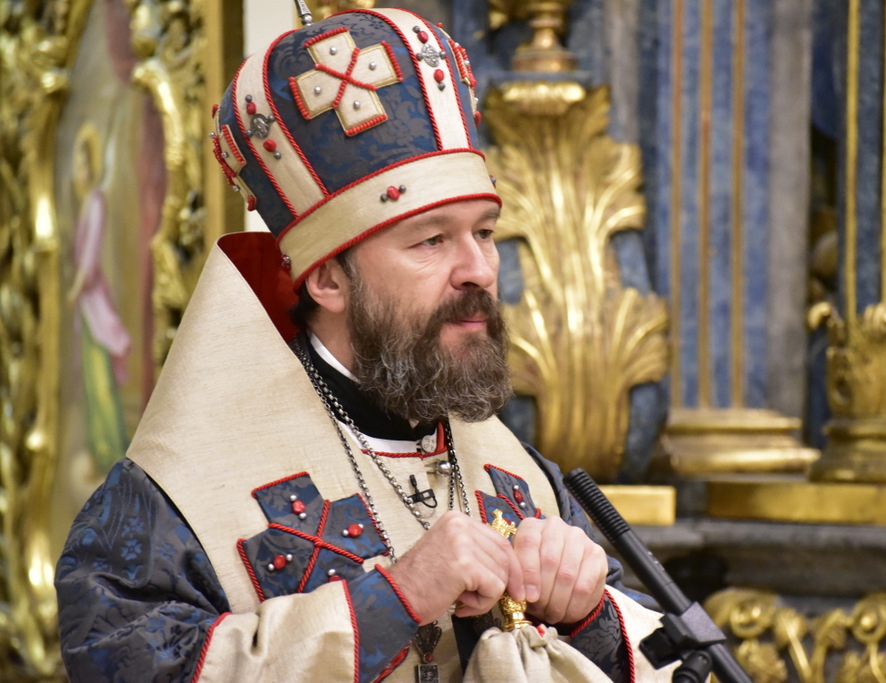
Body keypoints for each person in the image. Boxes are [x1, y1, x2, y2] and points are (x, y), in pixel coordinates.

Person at [55, 8, 671, 681]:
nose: (479, 269)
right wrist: (392, 601)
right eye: (432, 240)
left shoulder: (521, 477)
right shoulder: (175, 495)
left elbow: (663, 655)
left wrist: (589, 615)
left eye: (485, 232)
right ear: (328, 279)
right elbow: (124, 658)